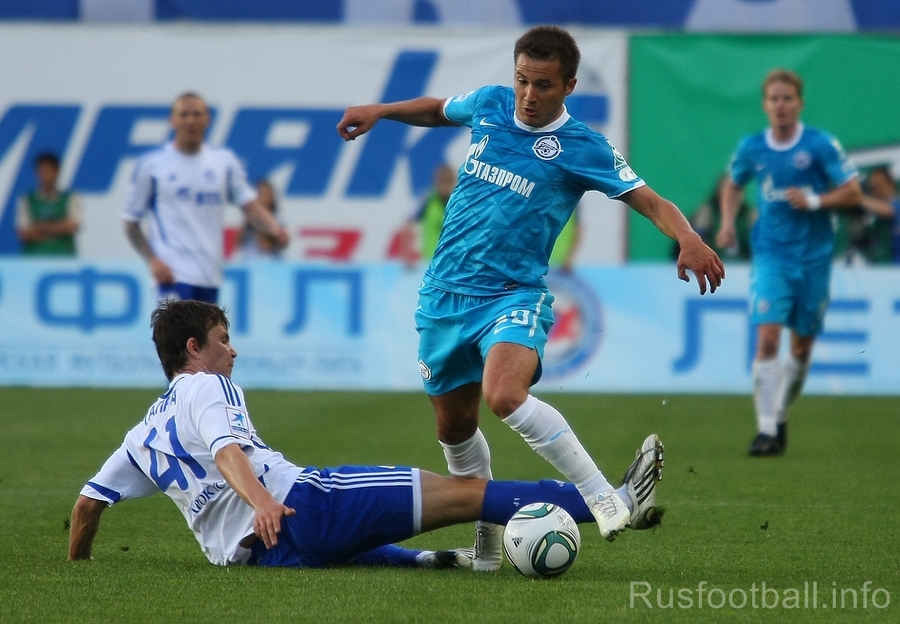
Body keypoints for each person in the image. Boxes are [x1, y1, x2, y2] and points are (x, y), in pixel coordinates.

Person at [337, 25, 721, 570]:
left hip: (512, 295)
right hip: (443, 297)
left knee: (504, 395)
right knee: (453, 427)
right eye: (522, 80)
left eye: (543, 85)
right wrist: (381, 110)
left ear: (569, 86)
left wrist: (688, 237)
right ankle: (487, 550)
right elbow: (437, 110)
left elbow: (650, 200)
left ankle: (603, 498)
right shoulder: (490, 105)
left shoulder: (582, 146)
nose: (528, 95)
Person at [68, 299, 664, 570]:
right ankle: (613, 500)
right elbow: (226, 452)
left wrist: (80, 566)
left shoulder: (141, 434)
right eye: (224, 339)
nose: (233, 350)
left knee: (353, 548)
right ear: (193, 348)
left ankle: (435, 561)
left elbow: (88, 506)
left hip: (262, 560)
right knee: (465, 494)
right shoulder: (205, 386)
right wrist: (264, 501)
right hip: (301, 508)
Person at [716, 69, 863, 457]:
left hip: (814, 258)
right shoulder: (752, 147)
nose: (780, 105)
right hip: (772, 255)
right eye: (774, 99)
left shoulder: (819, 145)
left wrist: (816, 200)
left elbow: (852, 193)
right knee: (767, 337)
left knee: (801, 349)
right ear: (765, 105)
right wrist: (728, 223)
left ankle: (779, 414)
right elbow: (733, 183)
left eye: (787, 99)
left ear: (799, 103)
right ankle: (765, 430)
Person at [123, 92, 288, 303]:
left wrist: (274, 229)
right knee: (179, 326)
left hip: (209, 276)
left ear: (207, 119)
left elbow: (249, 205)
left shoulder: (223, 162)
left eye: (197, 114)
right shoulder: (152, 165)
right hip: (172, 275)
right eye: (183, 115)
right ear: (172, 120)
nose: (190, 120)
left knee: (207, 326)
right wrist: (152, 260)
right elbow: (131, 222)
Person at [673, 174, 754, 262]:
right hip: (712, 265)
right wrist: (700, 230)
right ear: (719, 192)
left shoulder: (747, 217)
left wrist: (758, 230)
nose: (733, 196)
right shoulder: (708, 214)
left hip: (744, 266)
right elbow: (683, 252)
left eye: (737, 190)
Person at [16, 152, 81, 255]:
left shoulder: (70, 198)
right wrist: (60, 227)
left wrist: (41, 227)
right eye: (41, 172)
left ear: (57, 172)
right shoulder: (27, 200)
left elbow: (73, 226)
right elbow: (24, 233)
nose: (44, 177)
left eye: (48, 172)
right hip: (33, 259)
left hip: (63, 258)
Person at [833, 165, 896, 265]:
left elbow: (890, 211)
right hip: (882, 265)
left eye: (878, 185)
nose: (875, 190)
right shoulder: (874, 211)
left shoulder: (894, 203)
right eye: (872, 187)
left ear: (889, 183)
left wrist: (856, 197)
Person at [397, 164, 457, 268]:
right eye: (442, 181)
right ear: (436, 182)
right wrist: (406, 258)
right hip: (430, 263)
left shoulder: (459, 202)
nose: (445, 185)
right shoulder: (429, 199)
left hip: (454, 263)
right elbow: (407, 226)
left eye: (448, 181)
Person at [236, 179, 284, 260]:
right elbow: (238, 243)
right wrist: (249, 217)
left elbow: (266, 246)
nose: (263, 198)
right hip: (249, 261)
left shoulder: (277, 219)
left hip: (269, 262)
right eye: (260, 195)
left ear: (271, 197)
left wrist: (260, 220)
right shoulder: (248, 218)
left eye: (265, 195)